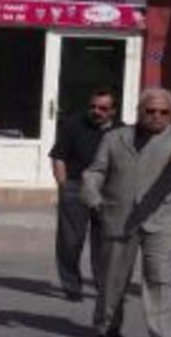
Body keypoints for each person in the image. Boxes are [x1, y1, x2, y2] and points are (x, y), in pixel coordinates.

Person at [81, 88, 171, 337]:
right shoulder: (114, 137)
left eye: (164, 112)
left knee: (160, 276)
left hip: (164, 217)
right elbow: (96, 171)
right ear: (139, 111)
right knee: (113, 278)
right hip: (119, 215)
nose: (157, 116)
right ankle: (108, 325)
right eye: (150, 111)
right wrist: (93, 197)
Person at [49, 89, 122, 302]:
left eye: (103, 108)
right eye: (93, 107)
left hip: (107, 192)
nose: (96, 111)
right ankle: (71, 286)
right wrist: (63, 186)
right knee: (70, 242)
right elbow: (58, 157)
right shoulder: (73, 125)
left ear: (113, 111)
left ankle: (104, 287)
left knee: (105, 244)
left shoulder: (122, 131)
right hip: (76, 188)